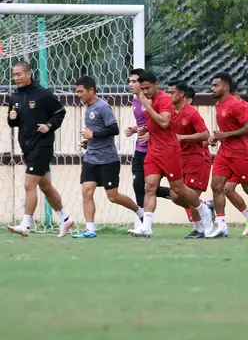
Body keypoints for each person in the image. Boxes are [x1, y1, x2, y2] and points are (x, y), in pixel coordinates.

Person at [128, 70, 214, 238]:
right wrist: (142, 129)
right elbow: (154, 123)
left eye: (147, 88)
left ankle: (204, 210)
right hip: (153, 151)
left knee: (178, 189)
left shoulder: (164, 100)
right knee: (150, 186)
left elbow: (165, 122)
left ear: (156, 85)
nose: (144, 92)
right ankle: (146, 227)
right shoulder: (146, 99)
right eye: (142, 88)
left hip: (169, 152)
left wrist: (147, 106)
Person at [6, 61, 73, 237]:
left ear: (29, 74)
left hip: (42, 145)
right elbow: (13, 122)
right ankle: (66, 220)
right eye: (14, 75)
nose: (16, 78)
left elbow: (60, 112)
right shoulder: (14, 96)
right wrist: (11, 117)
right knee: (45, 186)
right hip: (26, 146)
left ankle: (26, 225)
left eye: (19, 74)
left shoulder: (43, 94)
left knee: (29, 184)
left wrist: (49, 125)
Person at [71, 76, 143, 238]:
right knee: (86, 191)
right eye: (77, 92)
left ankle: (140, 212)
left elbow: (114, 130)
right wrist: (88, 142)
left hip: (108, 160)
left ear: (91, 90)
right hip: (91, 159)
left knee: (113, 197)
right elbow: (96, 134)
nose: (79, 95)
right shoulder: (88, 107)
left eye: (81, 91)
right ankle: (90, 229)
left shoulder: (103, 107)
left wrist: (93, 134)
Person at [207, 72, 248, 240]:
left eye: (215, 85)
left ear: (226, 87)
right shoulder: (218, 105)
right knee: (216, 185)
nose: (212, 88)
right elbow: (226, 129)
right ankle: (222, 226)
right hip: (224, 151)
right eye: (212, 85)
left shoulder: (237, 105)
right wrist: (217, 137)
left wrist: (225, 135)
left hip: (241, 152)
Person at [167, 80, 212, 239]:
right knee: (175, 196)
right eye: (168, 92)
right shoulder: (170, 112)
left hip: (195, 159)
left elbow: (205, 135)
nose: (169, 95)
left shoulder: (191, 113)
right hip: (179, 159)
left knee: (190, 194)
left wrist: (183, 137)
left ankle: (200, 229)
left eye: (172, 92)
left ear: (182, 94)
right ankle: (205, 206)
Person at [124, 68, 170, 209]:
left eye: (134, 81)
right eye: (129, 81)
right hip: (141, 148)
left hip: (157, 149)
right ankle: (143, 221)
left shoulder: (157, 100)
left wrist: (151, 133)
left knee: (176, 189)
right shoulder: (135, 100)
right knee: (138, 185)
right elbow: (144, 124)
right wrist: (135, 129)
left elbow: (165, 122)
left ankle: (201, 205)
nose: (131, 84)